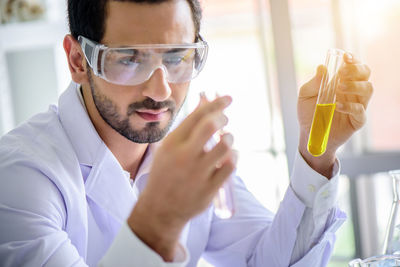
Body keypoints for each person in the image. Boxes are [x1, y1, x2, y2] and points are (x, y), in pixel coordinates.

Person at [0, 0, 373, 266]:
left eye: (177, 56)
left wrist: (316, 150)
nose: (161, 90)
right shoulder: (21, 176)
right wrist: (158, 221)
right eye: (130, 58)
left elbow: (272, 261)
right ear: (78, 61)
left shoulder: (188, 151)